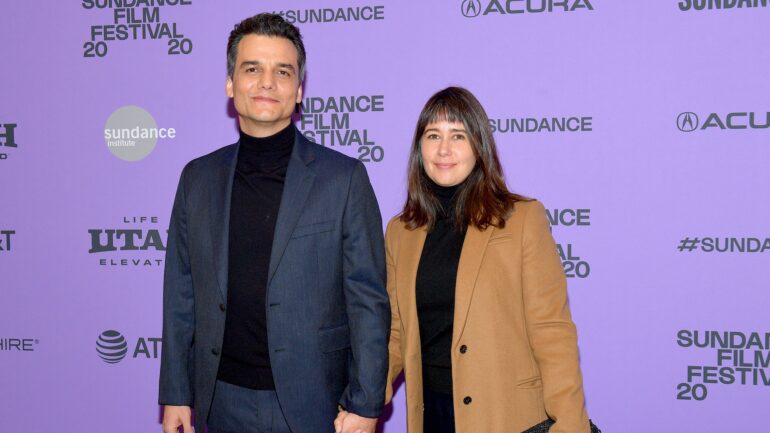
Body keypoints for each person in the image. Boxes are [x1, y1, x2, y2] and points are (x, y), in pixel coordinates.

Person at [158, 13, 389, 433]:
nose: (267, 82)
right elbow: (181, 295)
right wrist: (176, 393)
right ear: (230, 84)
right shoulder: (197, 179)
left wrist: (366, 402)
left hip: (316, 403)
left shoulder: (343, 179)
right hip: (220, 402)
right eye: (252, 69)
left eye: (282, 72)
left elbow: (368, 301)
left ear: (298, 90)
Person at [374, 87, 590, 432]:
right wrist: (362, 401)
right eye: (433, 135)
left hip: (506, 414)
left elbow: (552, 332)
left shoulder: (521, 219)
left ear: (479, 146)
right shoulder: (401, 232)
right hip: (432, 414)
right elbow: (394, 333)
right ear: (419, 148)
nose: (444, 149)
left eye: (458, 135)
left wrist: (570, 425)